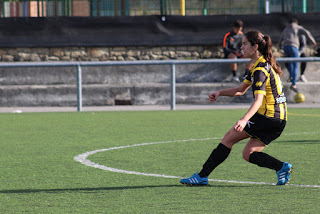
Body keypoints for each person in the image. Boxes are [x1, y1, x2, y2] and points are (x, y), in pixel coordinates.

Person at [180, 30, 292, 186]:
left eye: (245, 44)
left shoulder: (260, 69)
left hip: (267, 117)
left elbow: (258, 101)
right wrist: (220, 93)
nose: (241, 47)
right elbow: (240, 90)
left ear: (255, 47)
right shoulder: (261, 65)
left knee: (228, 139)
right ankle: (281, 167)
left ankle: (202, 176)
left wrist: (244, 120)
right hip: (279, 120)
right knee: (248, 154)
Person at [279, 18, 316, 92]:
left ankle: (292, 77)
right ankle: (293, 84)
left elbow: (280, 40)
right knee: (296, 64)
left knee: (290, 63)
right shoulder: (298, 27)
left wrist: (281, 48)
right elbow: (307, 32)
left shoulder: (286, 29)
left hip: (285, 47)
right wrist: (313, 42)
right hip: (293, 47)